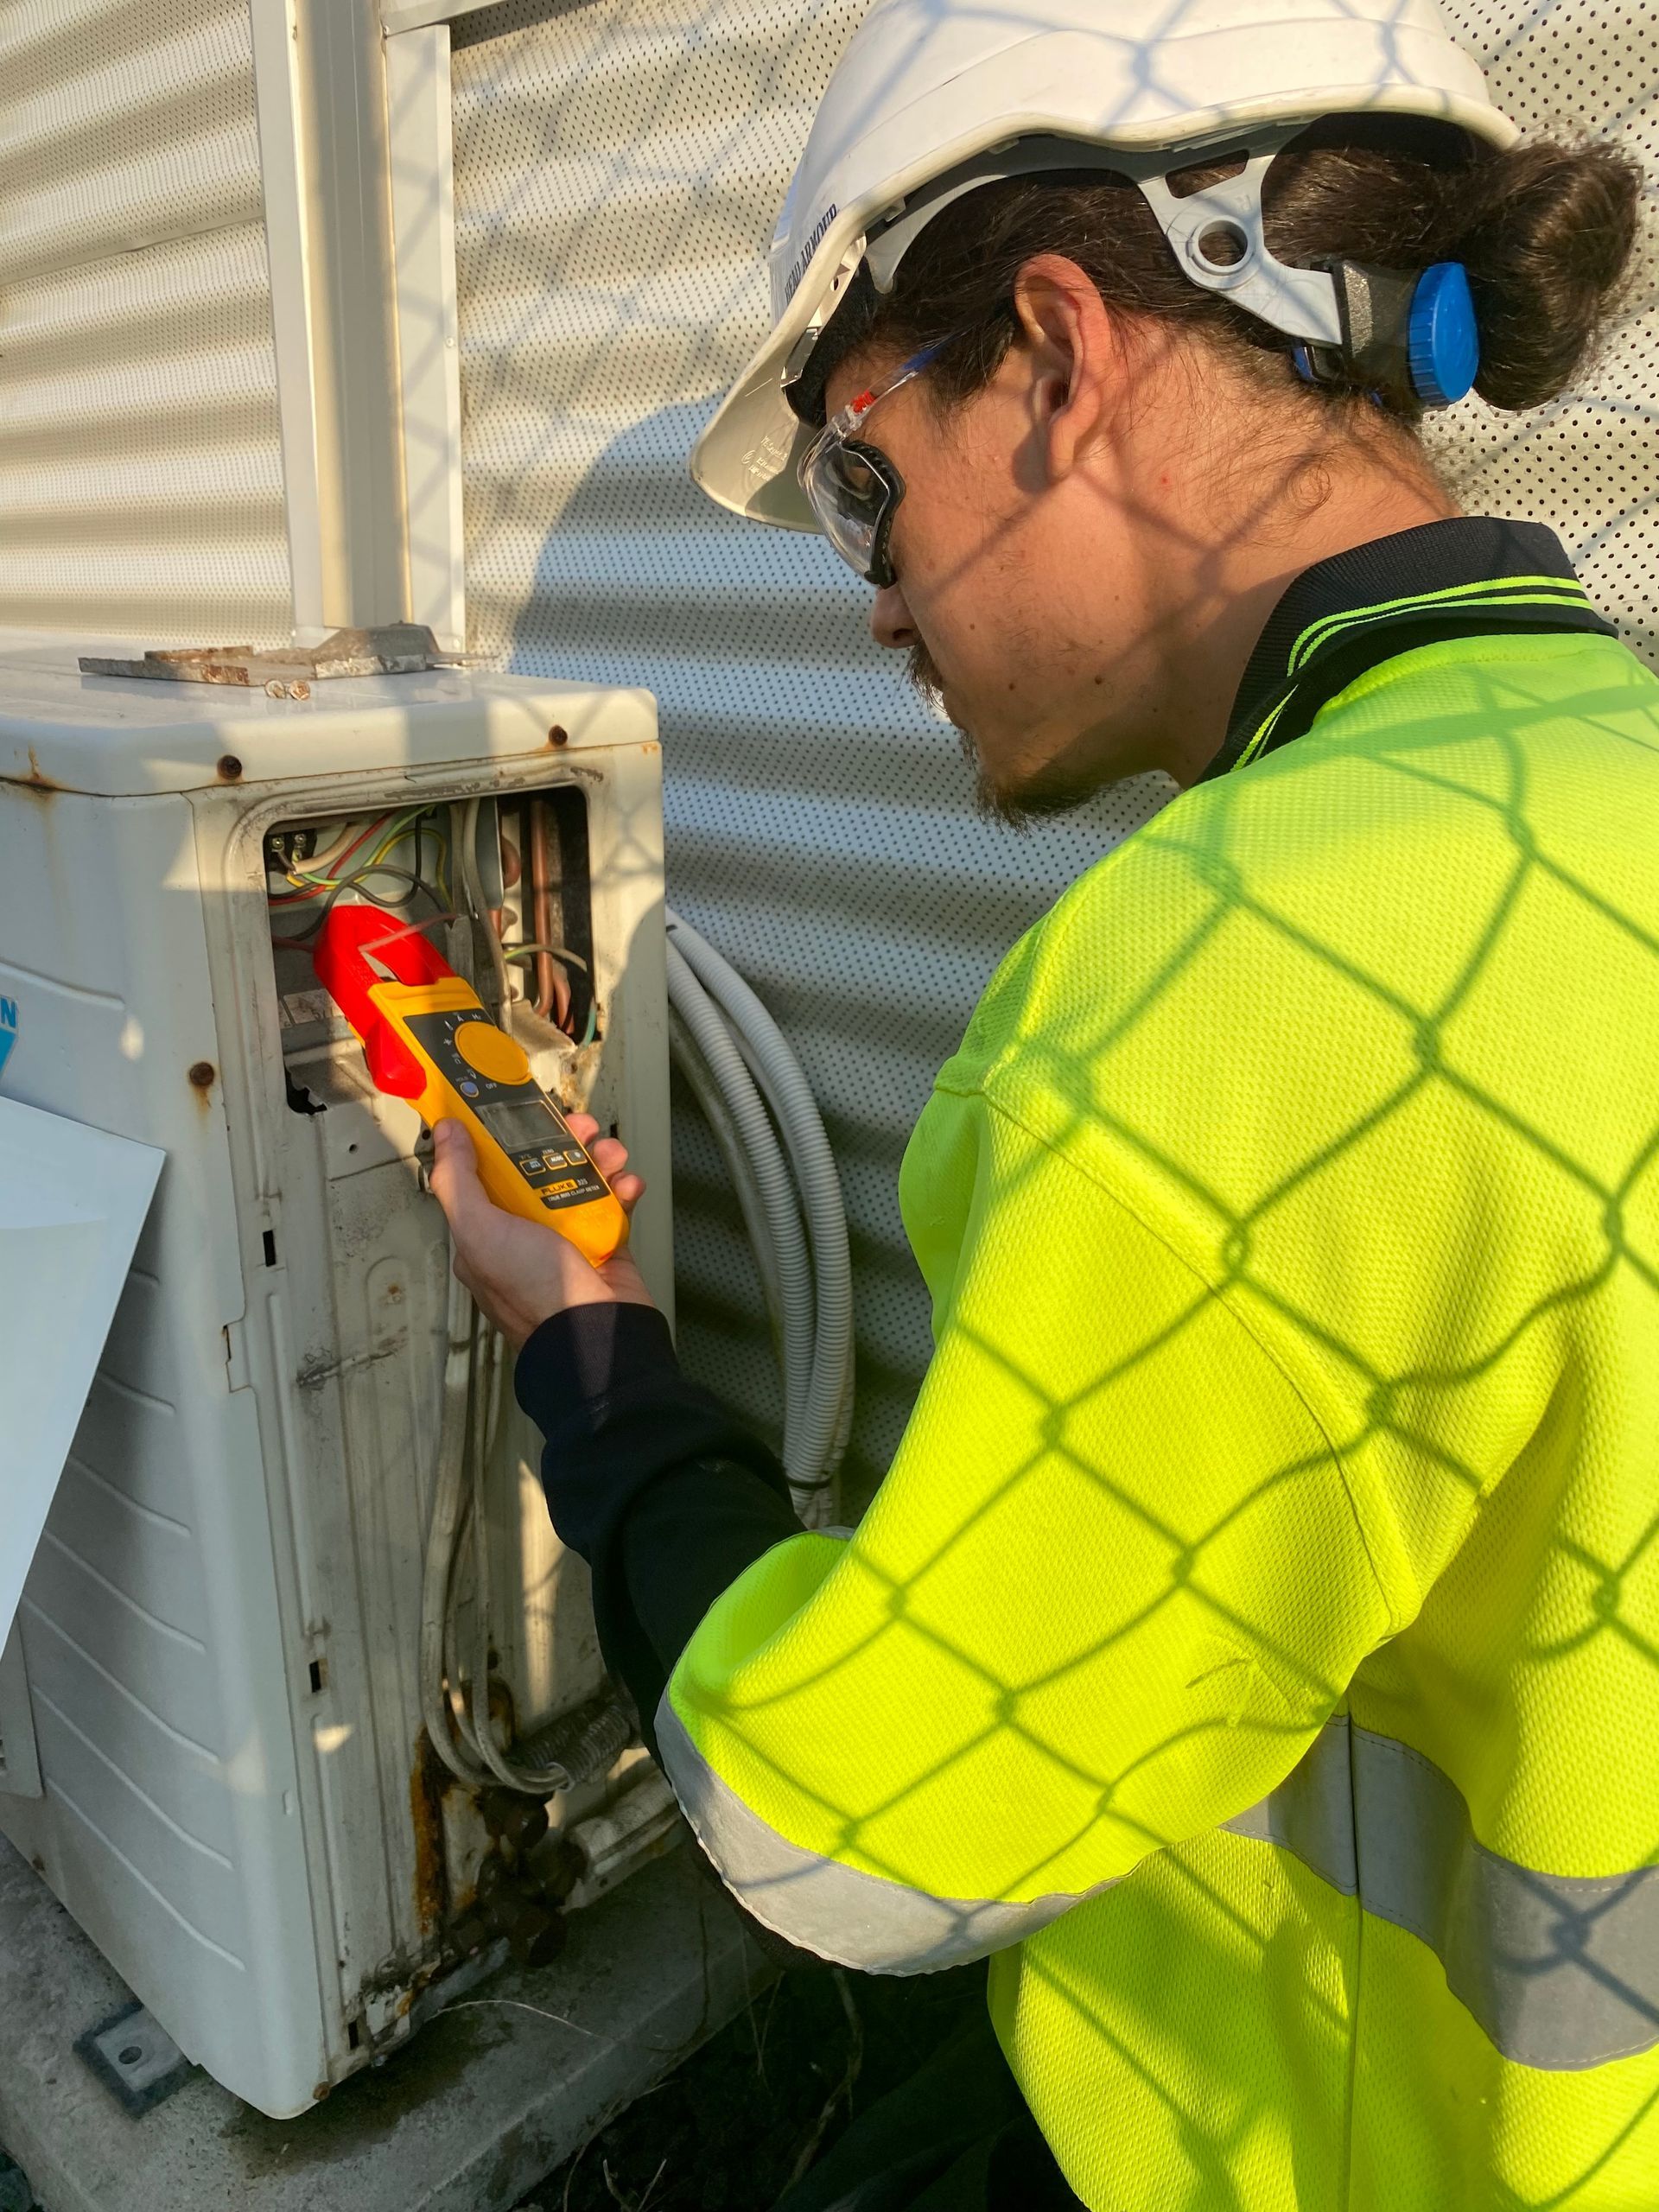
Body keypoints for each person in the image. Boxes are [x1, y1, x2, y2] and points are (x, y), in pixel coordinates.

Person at [429, 2, 1659, 2204]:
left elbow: (859, 1825)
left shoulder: (1237, 963)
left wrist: (591, 1352)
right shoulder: (1604, 778)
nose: (874, 599)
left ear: (1066, 353)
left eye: (857, 479)